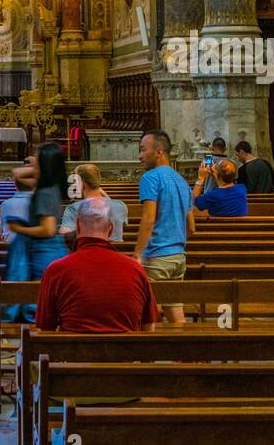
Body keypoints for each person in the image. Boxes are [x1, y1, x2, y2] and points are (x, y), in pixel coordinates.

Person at [36, 199, 160, 334]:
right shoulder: (135, 270)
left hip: (74, 354)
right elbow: (148, 327)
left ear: (77, 226)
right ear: (111, 229)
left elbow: (45, 328)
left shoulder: (56, 270)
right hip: (125, 353)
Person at [134, 130, 194, 325]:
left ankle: (146, 356)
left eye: (143, 150)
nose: (140, 155)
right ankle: (186, 356)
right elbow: (191, 227)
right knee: (175, 312)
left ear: (158, 152)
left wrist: (137, 255)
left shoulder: (150, 178)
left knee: (147, 316)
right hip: (178, 257)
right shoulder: (182, 181)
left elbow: (148, 219)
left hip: (156, 257)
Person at [5, 142, 67, 279]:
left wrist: (18, 228)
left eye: (37, 161)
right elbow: (17, 174)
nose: (33, 164)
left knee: (37, 293)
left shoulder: (45, 192)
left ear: (44, 164)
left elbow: (48, 230)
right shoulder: (52, 185)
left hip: (44, 252)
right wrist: (38, 167)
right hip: (49, 249)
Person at [0, 163, 36, 322]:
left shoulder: (6, 204)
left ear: (15, 184)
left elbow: (2, 232)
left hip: (12, 251)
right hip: (36, 253)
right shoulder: (40, 204)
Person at [61, 162, 128, 246]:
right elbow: (119, 225)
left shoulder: (73, 208)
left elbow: (65, 235)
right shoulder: (121, 206)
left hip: (86, 253)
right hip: (115, 254)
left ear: (81, 184)